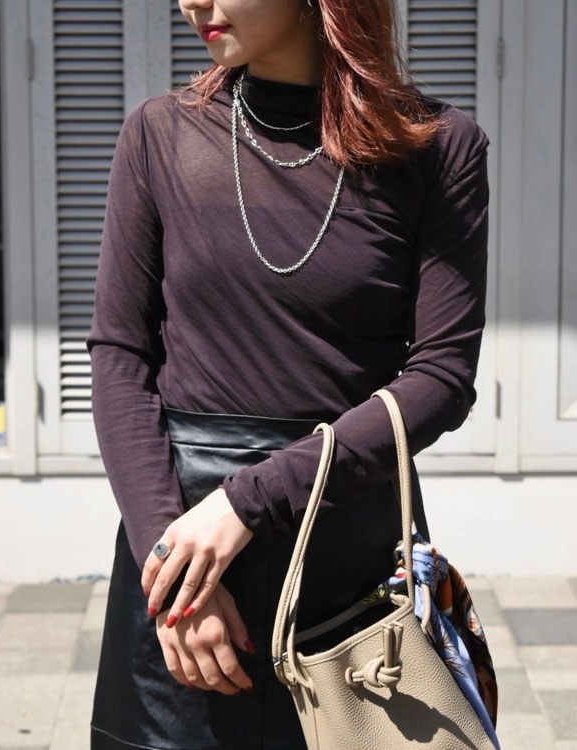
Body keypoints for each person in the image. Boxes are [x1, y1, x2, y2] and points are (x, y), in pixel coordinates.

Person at [85, 0, 491, 747]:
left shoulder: (437, 149)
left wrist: (245, 504)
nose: (191, 2)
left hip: (349, 569)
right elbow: (120, 357)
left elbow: (441, 377)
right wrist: (172, 576)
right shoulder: (159, 135)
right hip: (185, 557)